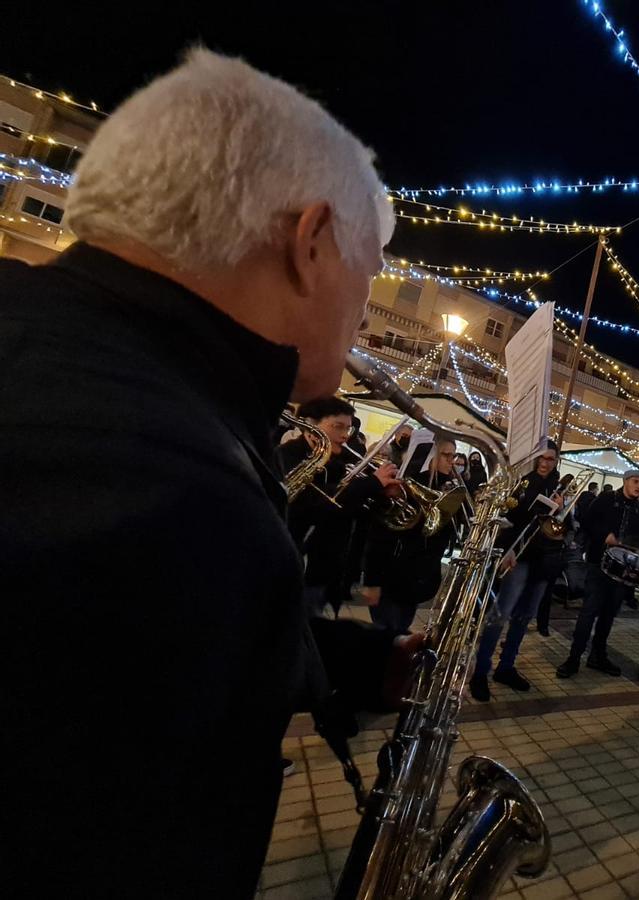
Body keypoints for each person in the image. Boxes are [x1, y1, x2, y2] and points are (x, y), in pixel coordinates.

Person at [0, 49, 395, 898]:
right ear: (311, 243)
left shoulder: (68, 361)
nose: (365, 312)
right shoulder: (173, 493)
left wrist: (345, 658)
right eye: (368, 273)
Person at [277, 396, 401, 617]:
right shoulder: (288, 455)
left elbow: (358, 510)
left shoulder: (344, 459)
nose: (345, 435)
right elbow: (313, 505)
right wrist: (371, 483)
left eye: (348, 428)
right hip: (295, 564)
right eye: (338, 426)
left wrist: (382, 495)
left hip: (331, 570)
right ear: (311, 425)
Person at [470, 444, 563, 700]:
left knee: (524, 617)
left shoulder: (558, 487)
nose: (545, 463)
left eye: (550, 459)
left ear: (556, 461)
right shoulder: (521, 483)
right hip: (518, 556)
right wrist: (505, 550)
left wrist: (562, 509)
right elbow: (506, 520)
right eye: (542, 458)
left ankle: (506, 666)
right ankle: (480, 671)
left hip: (543, 560)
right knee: (500, 614)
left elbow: (563, 527)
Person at [557, 470, 639, 678]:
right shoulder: (606, 499)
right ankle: (573, 658)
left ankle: (598, 656)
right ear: (625, 481)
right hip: (598, 565)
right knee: (588, 613)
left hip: (622, 572)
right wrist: (604, 535)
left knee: (608, 615)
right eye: (635, 481)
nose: (638, 486)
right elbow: (587, 521)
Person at [361, 436, 461, 634]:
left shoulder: (448, 488)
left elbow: (440, 538)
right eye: (446, 455)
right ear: (429, 457)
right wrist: (372, 582)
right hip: (391, 578)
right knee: (385, 635)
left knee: (401, 630)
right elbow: (379, 537)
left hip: (417, 580)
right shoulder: (401, 490)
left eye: (454, 455)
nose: (452, 461)